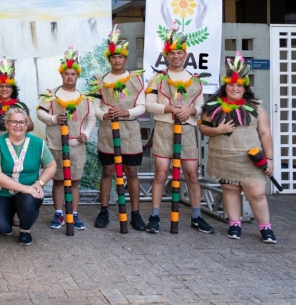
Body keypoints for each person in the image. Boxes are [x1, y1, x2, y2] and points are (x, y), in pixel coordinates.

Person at [199, 52, 276, 243]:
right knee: (230, 190)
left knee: (256, 194)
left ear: (244, 88)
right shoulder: (213, 107)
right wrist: (219, 130)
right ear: (225, 86)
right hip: (224, 156)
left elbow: (265, 133)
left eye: (239, 85)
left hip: (250, 159)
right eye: (231, 84)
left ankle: (265, 228)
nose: (234, 88)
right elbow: (203, 128)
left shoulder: (256, 107)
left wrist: (270, 159)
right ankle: (234, 224)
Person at [144, 25, 215, 234]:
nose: (176, 56)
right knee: (161, 173)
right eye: (172, 53)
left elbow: (202, 105)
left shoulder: (194, 79)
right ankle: (155, 216)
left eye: (179, 52)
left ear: (186, 54)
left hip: (187, 130)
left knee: (192, 174)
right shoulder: (157, 78)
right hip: (165, 130)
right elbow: (149, 104)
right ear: (167, 55)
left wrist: (191, 110)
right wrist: (169, 108)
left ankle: (196, 216)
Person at [89, 25, 147, 231]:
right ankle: (104, 210)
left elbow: (142, 105)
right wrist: (104, 114)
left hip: (130, 130)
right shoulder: (101, 81)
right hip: (107, 130)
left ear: (125, 58)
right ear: (109, 58)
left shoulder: (135, 79)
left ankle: (135, 213)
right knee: (108, 171)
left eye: (120, 57)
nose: (117, 60)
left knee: (132, 171)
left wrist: (126, 112)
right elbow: (94, 106)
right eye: (113, 57)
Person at [37, 47, 95, 230]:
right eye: (66, 74)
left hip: (77, 146)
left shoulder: (84, 98)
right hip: (56, 145)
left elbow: (91, 118)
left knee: (75, 181)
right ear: (61, 75)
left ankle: (74, 214)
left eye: (73, 74)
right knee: (59, 180)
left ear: (77, 76)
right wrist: (54, 119)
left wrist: (86, 132)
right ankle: (59, 214)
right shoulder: (51, 95)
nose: (70, 77)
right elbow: (40, 114)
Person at [0, 107, 56, 245]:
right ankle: (9, 215)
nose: (18, 125)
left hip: (29, 192)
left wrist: (38, 183)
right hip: (2, 191)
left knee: (29, 201)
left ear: (26, 125)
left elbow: (51, 166)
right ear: (6, 124)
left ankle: (25, 230)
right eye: (14, 122)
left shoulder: (38, 143)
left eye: (22, 122)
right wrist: (25, 188)